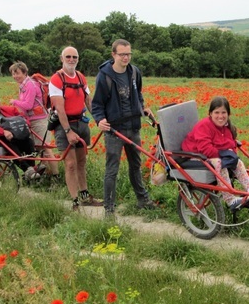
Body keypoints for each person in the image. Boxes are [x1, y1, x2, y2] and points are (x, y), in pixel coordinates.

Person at [91, 39, 158, 218]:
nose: (126, 57)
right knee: (112, 169)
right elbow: (97, 104)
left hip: (133, 126)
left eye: (128, 54)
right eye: (122, 54)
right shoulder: (104, 76)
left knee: (135, 165)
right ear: (113, 55)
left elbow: (139, 94)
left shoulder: (135, 72)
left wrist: (142, 106)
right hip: (114, 130)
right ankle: (109, 209)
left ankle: (142, 200)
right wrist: (99, 120)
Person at [181, 96, 249, 209]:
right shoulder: (204, 126)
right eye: (216, 112)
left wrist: (229, 154)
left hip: (211, 153)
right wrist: (224, 154)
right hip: (194, 154)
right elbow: (206, 149)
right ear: (210, 113)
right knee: (220, 163)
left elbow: (231, 145)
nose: (220, 116)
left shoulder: (226, 127)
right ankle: (230, 200)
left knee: (237, 162)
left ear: (228, 114)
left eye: (223, 113)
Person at [49, 47, 102, 207]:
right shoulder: (57, 79)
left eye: (75, 57)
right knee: (70, 164)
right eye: (68, 57)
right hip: (64, 125)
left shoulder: (80, 77)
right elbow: (60, 108)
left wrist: (99, 120)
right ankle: (74, 201)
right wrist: (67, 131)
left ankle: (85, 195)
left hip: (81, 123)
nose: (71, 60)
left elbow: (88, 101)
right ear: (62, 58)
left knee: (81, 161)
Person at [0, 93, 42, 180]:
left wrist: (26, 125)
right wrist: (2, 131)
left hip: (15, 137)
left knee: (28, 141)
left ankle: (32, 169)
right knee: (9, 145)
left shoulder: (6, 110)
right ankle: (26, 169)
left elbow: (21, 116)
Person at [8, 61, 57, 176]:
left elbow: (28, 105)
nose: (15, 76)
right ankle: (45, 173)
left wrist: (14, 102)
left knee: (46, 149)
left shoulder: (30, 84)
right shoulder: (24, 85)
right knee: (38, 149)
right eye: (13, 74)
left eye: (17, 73)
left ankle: (56, 175)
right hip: (31, 120)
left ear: (25, 72)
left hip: (39, 120)